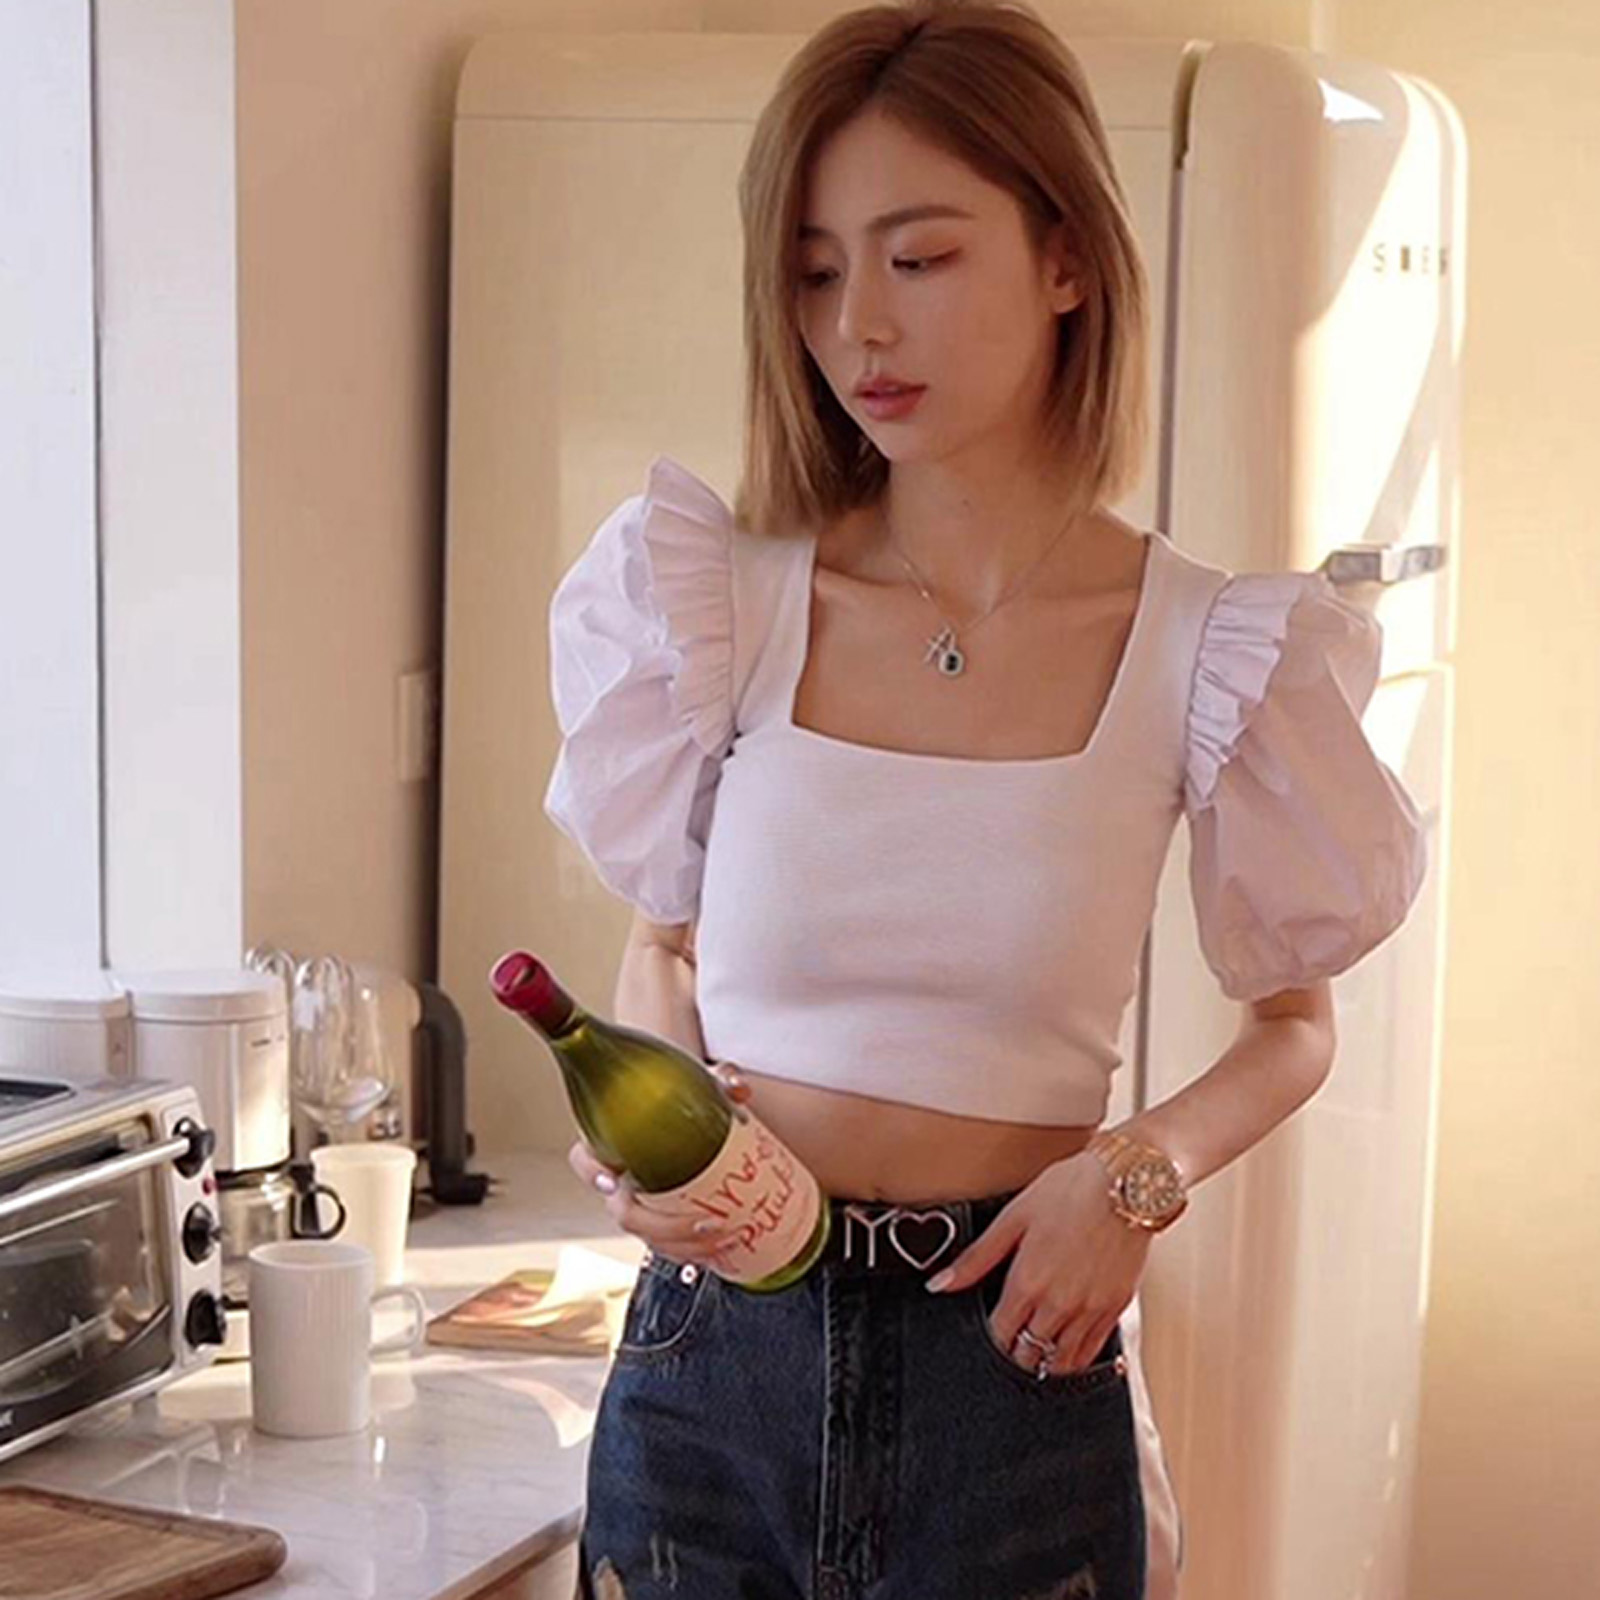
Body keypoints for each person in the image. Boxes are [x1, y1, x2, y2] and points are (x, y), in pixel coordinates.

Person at [542, 3, 1429, 1596]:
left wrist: (1135, 1177)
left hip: (1010, 1361)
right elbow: (660, 942)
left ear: (1068, 259)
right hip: (711, 1365)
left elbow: (1298, 1026)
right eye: (816, 270)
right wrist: (655, 1138)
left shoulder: (1204, 647)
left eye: (921, 257)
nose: (860, 327)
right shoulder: (720, 606)